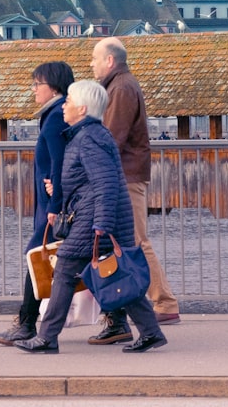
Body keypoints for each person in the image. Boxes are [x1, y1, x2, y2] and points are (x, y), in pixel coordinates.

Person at [15, 80, 166, 354]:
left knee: (64, 272)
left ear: (82, 109)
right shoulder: (90, 135)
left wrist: (102, 224)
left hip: (93, 219)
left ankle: (47, 337)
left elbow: (106, 184)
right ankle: (151, 332)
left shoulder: (89, 138)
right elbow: (91, 181)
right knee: (118, 274)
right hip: (98, 217)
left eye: (69, 101)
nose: (65, 106)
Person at [89, 36, 180, 344]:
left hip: (125, 174)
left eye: (95, 59)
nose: (91, 64)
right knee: (130, 242)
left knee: (137, 241)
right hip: (126, 173)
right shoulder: (119, 85)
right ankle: (130, 308)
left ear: (110, 61)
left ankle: (164, 303)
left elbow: (112, 137)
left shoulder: (122, 88)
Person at [0, 61, 74, 345]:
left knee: (35, 255)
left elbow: (60, 162)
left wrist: (54, 205)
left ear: (53, 87)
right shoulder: (56, 113)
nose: (33, 89)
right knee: (75, 260)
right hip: (51, 201)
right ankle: (119, 317)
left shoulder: (55, 117)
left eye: (37, 84)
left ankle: (26, 323)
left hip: (53, 203)